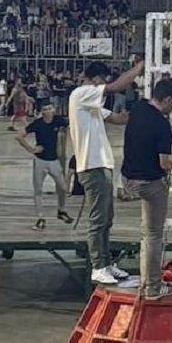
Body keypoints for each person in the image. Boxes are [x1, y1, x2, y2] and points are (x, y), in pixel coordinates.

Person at [68, 57, 145, 287]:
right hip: (92, 166)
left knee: (106, 218)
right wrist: (139, 67)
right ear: (94, 79)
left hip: (101, 165)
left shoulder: (91, 105)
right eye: (101, 81)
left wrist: (145, 110)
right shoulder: (81, 93)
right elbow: (116, 87)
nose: (103, 86)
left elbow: (118, 119)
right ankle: (98, 267)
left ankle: (106, 262)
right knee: (98, 220)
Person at [121, 77, 172, 298]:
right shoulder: (162, 126)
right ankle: (153, 287)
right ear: (168, 100)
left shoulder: (138, 108)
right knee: (154, 235)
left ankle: (144, 280)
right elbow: (165, 162)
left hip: (128, 177)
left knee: (145, 233)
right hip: (150, 182)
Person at [19, 100, 72, 228]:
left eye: (50, 108)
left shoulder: (58, 120)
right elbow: (19, 136)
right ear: (42, 112)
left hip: (54, 160)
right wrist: (31, 149)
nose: (49, 111)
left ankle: (61, 210)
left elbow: (72, 122)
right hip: (40, 160)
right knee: (38, 189)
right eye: (46, 109)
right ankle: (40, 217)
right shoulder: (37, 124)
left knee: (63, 187)